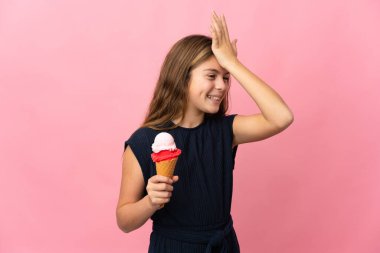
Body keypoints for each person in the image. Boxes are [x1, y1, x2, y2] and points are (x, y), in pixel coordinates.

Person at [116, 11, 294, 253]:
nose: (221, 86)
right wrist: (150, 202)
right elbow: (124, 221)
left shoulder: (225, 131)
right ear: (182, 78)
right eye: (211, 75)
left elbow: (281, 117)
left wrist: (232, 63)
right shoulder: (143, 141)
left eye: (226, 78)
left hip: (222, 246)